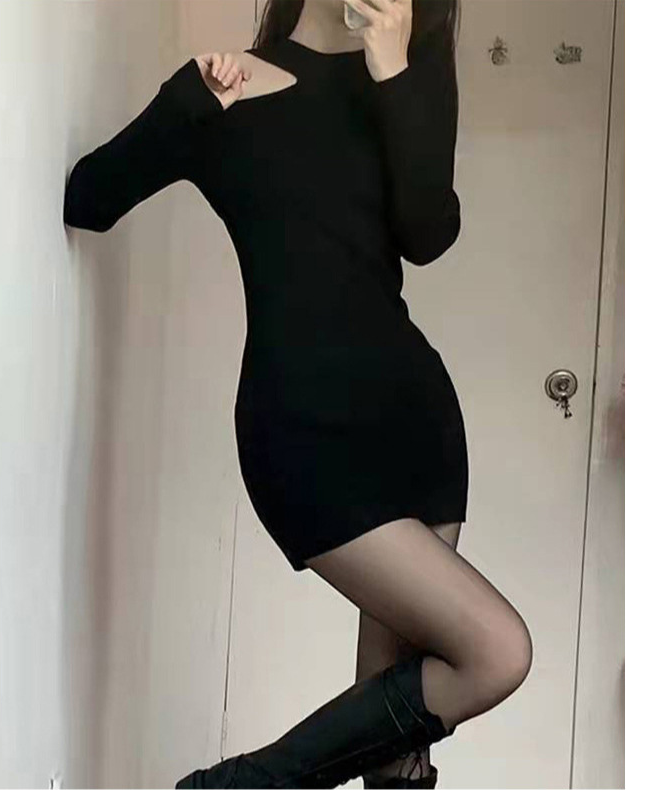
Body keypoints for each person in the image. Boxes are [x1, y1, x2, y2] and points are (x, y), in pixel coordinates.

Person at [63, 0, 533, 787]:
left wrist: (393, 68)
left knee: (395, 753)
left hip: (414, 423)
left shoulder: (407, 74)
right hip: (302, 427)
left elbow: (429, 232)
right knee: (495, 651)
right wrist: (189, 106)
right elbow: (89, 198)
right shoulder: (224, 90)